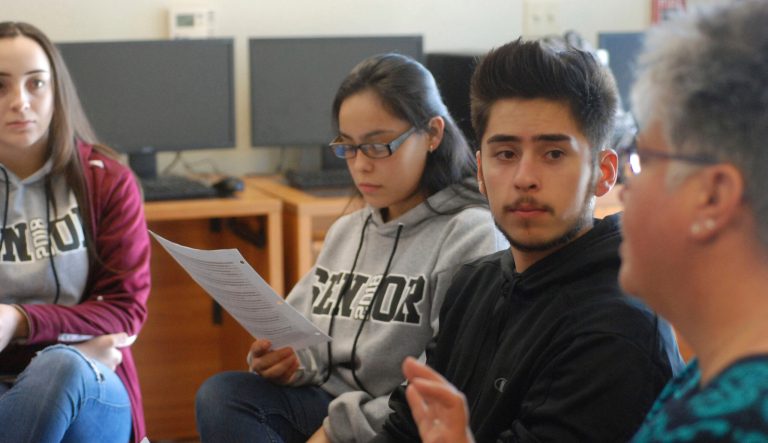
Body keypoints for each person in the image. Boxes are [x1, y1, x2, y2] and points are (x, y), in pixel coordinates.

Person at [372, 38, 685, 443]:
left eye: (553, 154)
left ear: (604, 173)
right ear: (480, 171)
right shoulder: (474, 283)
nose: (524, 178)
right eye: (505, 154)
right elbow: (403, 429)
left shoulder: (617, 330)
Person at [195, 53, 506, 443]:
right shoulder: (348, 230)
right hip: (330, 404)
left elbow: (445, 381)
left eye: (377, 146)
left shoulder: (470, 233)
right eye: (348, 147)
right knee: (222, 395)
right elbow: (308, 343)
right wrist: (289, 363)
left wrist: (334, 433)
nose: (360, 165)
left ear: (432, 133)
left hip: (400, 423)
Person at [621, 1, 768, 440]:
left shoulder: (727, 425)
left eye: (644, 160)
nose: (627, 187)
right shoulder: (703, 373)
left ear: (713, 196)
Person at [0, 22, 150, 442]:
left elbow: (125, 311)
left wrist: (17, 320)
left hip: (91, 385)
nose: (20, 102)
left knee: (60, 368)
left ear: (57, 91)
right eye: (0, 86)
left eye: (36, 83)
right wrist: (83, 341)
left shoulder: (108, 181)